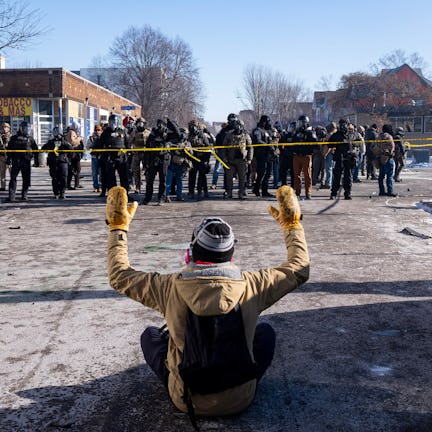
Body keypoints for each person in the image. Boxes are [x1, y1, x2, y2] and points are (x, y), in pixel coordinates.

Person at [105, 184, 309, 423]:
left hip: (186, 399)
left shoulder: (168, 286)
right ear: (231, 253)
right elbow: (299, 269)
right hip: (241, 398)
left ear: (192, 250)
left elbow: (119, 275)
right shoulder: (254, 284)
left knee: (151, 335)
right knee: (265, 333)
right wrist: (292, 226)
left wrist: (118, 229)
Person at [220, 119, 253, 199]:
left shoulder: (246, 135)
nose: (238, 127)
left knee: (242, 178)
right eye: (236, 125)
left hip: (242, 160)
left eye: (239, 125)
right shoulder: (229, 135)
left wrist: (249, 159)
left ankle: (241, 193)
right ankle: (229, 193)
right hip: (230, 160)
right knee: (229, 178)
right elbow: (224, 147)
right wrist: (224, 157)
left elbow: (250, 147)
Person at [142, 119, 171, 205]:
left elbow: (178, 134)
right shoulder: (152, 135)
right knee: (149, 180)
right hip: (153, 159)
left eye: (162, 125)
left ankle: (161, 198)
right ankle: (147, 198)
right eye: (159, 125)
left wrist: (169, 122)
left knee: (163, 180)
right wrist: (146, 162)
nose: (160, 127)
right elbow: (147, 149)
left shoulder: (167, 135)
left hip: (163, 159)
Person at [100, 114, 130, 195]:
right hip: (110, 158)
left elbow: (128, 144)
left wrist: (127, 153)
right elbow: (100, 144)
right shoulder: (105, 132)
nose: (113, 123)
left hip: (121, 157)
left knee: (124, 177)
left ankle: (125, 194)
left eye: (115, 121)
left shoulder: (122, 131)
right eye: (111, 121)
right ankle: (113, 195)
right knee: (110, 178)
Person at [329, 119, 357, 200]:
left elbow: (358, 142)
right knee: (337, 176)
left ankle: (347, 193)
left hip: (349, 158)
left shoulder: (352, 134)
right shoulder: (336, 135)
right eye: (341, 124)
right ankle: (334, 193)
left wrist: (352, 146)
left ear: (347, 124)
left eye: (344, 124)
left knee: (348, 177)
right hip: (339, 157)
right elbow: (329, 145)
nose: (342, 126)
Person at [290, 115, 318, 199]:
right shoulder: (297, 132)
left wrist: (309, 133)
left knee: (307, 175)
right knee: (297, 175)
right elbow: (293, 141)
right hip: (297, 155)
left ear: (306, 123)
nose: (300, 124)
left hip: (306, 156)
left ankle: (308, 193)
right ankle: (297, 192)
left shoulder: (310, 132)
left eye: (301, 122)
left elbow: (315, 143)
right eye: (299, 122)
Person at [42, 127, 73, 199]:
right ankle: (56, 192)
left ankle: (62, 192)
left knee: (63, 177)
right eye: (55, 132)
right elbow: (44, 148)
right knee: (55, 178)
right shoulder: (51, 142)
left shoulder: (64, 142)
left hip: (63, 161)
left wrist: (68, 157)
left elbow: (71, 150)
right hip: (53, 162)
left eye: (58, 132)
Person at [187, 119, 210, 200]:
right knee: (192, 176)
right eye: (192, 126)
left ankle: (202, 191)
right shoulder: (189, 136)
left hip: (202, 159)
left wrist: (207, 160)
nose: (193, 128)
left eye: (195, 126)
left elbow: (208, 148)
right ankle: (191, 192)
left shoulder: (203, 136)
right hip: (192, 159)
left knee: (202, 176)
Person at [251, 115, 274, 197]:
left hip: (268, 155)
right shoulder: (257, 130)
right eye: (267, 122)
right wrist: (267, 145)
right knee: (261, 173)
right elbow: (257, 140)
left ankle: (265, 191)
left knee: (268, 173)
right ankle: (256, 189)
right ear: (264, 122)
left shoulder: (267, 131)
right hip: (261, 155)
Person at [128, 117, 150, 194]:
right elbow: (129, 142)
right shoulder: (134, 132)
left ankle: (148, 187)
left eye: (142, 123)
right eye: (139, 123)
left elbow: (151, 143)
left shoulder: (147, 132)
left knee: (148, 171)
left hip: (146, 154)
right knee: (135, 171)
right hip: (136, 153)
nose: (140, 124)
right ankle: (137, 187)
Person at [373, 124, 397, 197]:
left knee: (381, 176)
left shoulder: (378, 137)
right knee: (389, 176)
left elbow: (374, 147)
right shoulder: (389, 137)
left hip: (380, 158)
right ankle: (390, 191)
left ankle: (382, 191)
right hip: (388, 158)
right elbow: (392, 147)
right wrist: (391, 153)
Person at [65, 122, 84, 190]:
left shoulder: (74, 132)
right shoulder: (71, 132)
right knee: (73, 170)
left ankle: (76, 184)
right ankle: (70, 184)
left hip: (76, 154)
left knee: (76, 169)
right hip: (73, 155)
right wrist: (79, 138)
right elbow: (72, 142)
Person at [86, 125, 103, 192]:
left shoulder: (103, 137)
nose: (97, 132)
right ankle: (95, 187)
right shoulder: (91, 138)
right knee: (94, 173)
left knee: (101, 173)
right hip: (94, 157)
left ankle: (101, 186)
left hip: (101, 157)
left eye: (99, 130)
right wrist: (93, 144)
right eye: (96, 130)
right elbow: (87, 147)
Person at [0, 122, 11, 191]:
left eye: (6, 127)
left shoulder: (11, 137)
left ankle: (12, 186)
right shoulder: (0, 136)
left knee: (12, 173)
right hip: (1, 157)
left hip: (9, 157)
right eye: (3, 127)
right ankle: (3, 186)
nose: (4, 128)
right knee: (2, 173)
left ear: (8, 128)